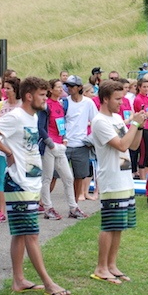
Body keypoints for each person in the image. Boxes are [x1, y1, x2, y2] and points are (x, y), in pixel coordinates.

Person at [0, 77, 73, 295]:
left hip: (30, 183)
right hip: (19, 183)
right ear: (29, 96)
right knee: (31, 234)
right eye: (42, 95)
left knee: (21, 235)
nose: (46, 98)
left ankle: (19, 280)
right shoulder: (15, 117)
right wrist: (8, 152)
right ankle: (49, 284)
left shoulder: (33, 117)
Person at [91, 79, 146, 284]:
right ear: (105, 99)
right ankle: (101, 267)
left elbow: (133, 146)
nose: (121, 103)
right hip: (111, 180)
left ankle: (112, 265)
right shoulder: (100, 121)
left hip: (124, 179)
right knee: (109, 224)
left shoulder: (116, 118)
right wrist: (133, 123)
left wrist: (139, 127)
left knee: (119, 225)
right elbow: (122, 145)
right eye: (117, 99)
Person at [39, 79, 88, 221]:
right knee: (47, 178)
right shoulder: (46, 106)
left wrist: (64, 137)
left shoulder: (61, 104)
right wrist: (50, 143)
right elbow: (41, 127)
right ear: (51, 89)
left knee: (68, 177)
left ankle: (73, 207)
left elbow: (62, 123)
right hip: (50, 145)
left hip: (60, 145)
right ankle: (47, 208)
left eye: (62, 87)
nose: (62, 90)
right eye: (58, 87)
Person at [0, 77, 22, 224]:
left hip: (17, 147)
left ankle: (19, 208)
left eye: (8, 88)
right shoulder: (0, 105)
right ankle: (1, 212)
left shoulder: (23, 105)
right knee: (1, 178)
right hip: (0, 147)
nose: (5, 90)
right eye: (4, 88)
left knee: (18, 177)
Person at [64, 75, 99, 200]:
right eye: (67, 86)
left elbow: (95, 120)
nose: (69, 88)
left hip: (81, 144)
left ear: (79, 87)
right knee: (54, 175)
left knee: (79, 176)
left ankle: (75, 204)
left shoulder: (88, 103)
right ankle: (44, 204)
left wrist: (91, 138)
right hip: (65, 144)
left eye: (72, 86)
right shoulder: (65, 102)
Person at [133, 78, 148, 180]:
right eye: (144, 87)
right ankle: (142, 178)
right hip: (144, 128)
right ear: (139, 87)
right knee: (144, 152)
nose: (146, 89)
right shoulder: (138, 99)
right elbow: (142, 115)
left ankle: (146, 176)